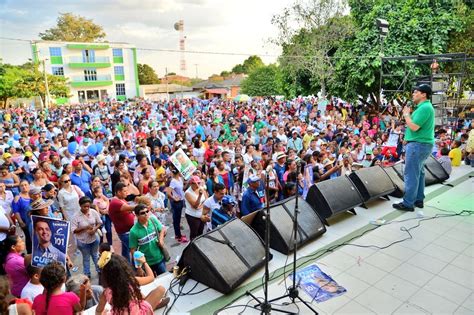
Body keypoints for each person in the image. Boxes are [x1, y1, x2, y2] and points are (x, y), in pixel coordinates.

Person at [393, 84, 435, 212]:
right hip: (420, 143)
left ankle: (408, 203)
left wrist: (406, 114)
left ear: (423, 94)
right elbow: (417, 129)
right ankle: (418, 199)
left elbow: (414, 126)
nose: (413, 94)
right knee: (419, 173)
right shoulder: (424, 107)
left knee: (411, 173)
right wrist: (407, 138)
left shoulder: (425, 108)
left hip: (418, 145)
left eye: (416, 92)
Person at [96, 252, 170, 314]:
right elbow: (151, 277)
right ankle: (154, 304)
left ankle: (154, 303)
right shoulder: (131, 281)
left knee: (138, 294)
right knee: (161, 289)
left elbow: (98, 310)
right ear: (123, 267)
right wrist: (144, 262)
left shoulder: (105, 292)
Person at [129, 204, 167, 276]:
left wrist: (161, 240)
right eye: (142, 213)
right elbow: (133, 250)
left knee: (164, 278)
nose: (146, 214)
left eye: (147, 211)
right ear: (137, 216)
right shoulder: (133, 231)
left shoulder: (153, 220)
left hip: (159, 259)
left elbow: (162, 229)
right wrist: (139, 267)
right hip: (146, 263)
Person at [71, 196, 102, 279]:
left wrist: (94, 229)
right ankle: (87, 273)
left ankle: (99, 270)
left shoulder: (93, 212)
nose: (87, 208)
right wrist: (84, 228)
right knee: (86, 257)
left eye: (88, 206)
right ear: (80, 206)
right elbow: (73, 230)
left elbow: (99, 222)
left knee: (95, 255)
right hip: (82, 241)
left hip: (94, 239)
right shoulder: (75, 216)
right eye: (85, 206)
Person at [108, 182, 139, 263]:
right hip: (125, 232)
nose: (127, 193)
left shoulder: (121, 199)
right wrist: (142, 205)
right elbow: (131, 208)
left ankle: (126, 264)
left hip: (127, 230)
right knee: (134, 251)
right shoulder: (115, 202)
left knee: (125, 251)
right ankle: (135, 268)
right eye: (124, 191)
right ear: (118, 192)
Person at [166, 168, 188, 243]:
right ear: (178, 173)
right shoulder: (173, 181)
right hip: (176, 203)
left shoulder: (180, 179)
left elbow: (182, 189)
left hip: (181, 200)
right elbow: (168, 192)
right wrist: (174, 198)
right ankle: (178, 236)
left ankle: (179, 234)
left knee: (178, 219)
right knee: (176, 219)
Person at [184, 176, 208, 240]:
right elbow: (195, 206)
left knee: (200, 232)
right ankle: (192, 248)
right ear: (191, 184)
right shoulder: (187, 193)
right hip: (192, 216)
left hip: (201, 215)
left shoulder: (201, 188)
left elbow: (206, 199)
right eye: (195, 183)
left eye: (199, 183)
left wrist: (201, 206)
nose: (197, 185)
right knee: (194, 234)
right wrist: (200, 196)